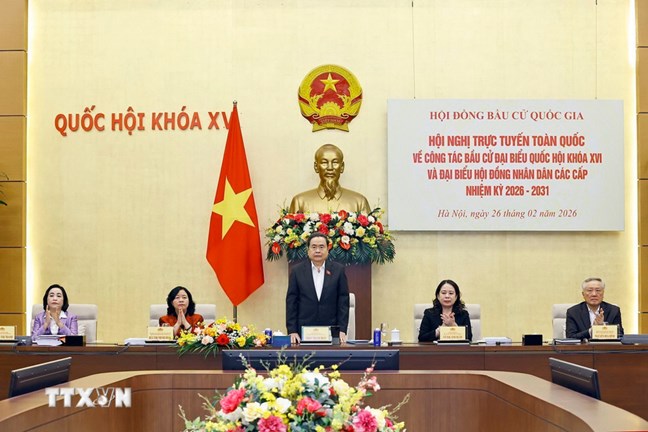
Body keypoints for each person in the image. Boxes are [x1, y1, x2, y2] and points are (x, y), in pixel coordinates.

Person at [286, 232, 350, 345]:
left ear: (328, 249)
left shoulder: (338, 270)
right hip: (303, 332)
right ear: (308, 250)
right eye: (314, 247)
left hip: (332, 332)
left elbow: (343, 302)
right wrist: (292, 331)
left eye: (321, 247)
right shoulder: (297, 271)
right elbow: (291, 302)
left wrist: (342, 330)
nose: (317, 251)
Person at [289, 143, 371, 214]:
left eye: (335, 162)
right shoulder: (300, 202)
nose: (330, 168)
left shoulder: (359, 202)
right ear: (316, 167)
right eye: (324, 162)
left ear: (342, 167)